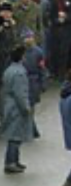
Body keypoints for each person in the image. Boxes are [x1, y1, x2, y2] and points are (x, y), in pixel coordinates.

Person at [1, 45, 32, 173]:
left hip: (8, 105)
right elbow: (20, 93)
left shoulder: (8, 70)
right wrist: (26, 108)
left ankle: (14, 160)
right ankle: (11, 162)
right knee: (15, 136)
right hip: (16, 108)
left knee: (14, 134)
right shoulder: (20, 73)